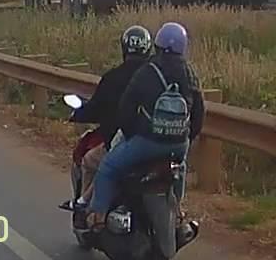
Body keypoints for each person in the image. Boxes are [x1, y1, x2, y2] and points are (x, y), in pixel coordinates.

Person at [86, 22, 205, 230]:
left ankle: (98, 218)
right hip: (178, 145)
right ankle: (177, 211)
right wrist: (185, 137)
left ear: (157, 45)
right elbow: (199, 112)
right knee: (179, 169)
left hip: (147, 141)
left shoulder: (148, 71)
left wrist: (133, 134)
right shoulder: (190, 73)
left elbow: (126, 107)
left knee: (108, 167)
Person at [64, 25, 152, 211]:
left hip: (121, 142)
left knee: (89, 161)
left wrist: (79, 114)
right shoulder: (157, 77)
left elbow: (96, 107)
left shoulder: (113, 78)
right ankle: (178, 213)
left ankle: (87, 209)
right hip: (155, 142)